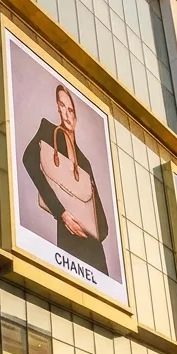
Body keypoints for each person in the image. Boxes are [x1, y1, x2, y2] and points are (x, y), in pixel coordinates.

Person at [21, 82, 110, 273]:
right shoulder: (47, 131)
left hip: (94, 252)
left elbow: (103, 226)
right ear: (57, 107)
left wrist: (88, 226)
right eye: (62, 106)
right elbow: (28, 160)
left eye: (71, 109)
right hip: (68, 241)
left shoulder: (85, 163)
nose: (67, 113)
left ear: (76, 115)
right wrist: (60, 212)